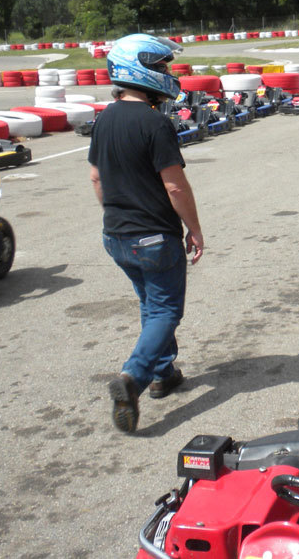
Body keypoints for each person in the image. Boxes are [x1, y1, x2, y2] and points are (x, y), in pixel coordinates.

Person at [88, 33, 204, 433]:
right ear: (140, 70)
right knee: (166, 310)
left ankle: (162, 372)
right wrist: (194, 229)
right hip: (154, 236)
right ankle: (133, 378)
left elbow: (96, 178)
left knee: (150, 304)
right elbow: (175, 187)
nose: (167, 73)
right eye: (161, 67)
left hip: (116, 236)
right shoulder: (155, 123)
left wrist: (118, 216)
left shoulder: (104, 118)